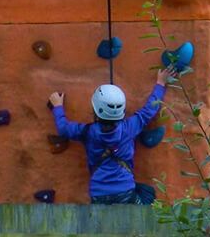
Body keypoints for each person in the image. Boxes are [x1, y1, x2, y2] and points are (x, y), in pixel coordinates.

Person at [49, 66, 179, 205]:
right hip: (125, 193)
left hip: (98, 195)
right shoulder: (129, 128)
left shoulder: (87, 132)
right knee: (148, 194)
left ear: (95, 108)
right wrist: (160, 83)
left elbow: (63, 129)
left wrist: (57, 106)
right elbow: (149, 111)